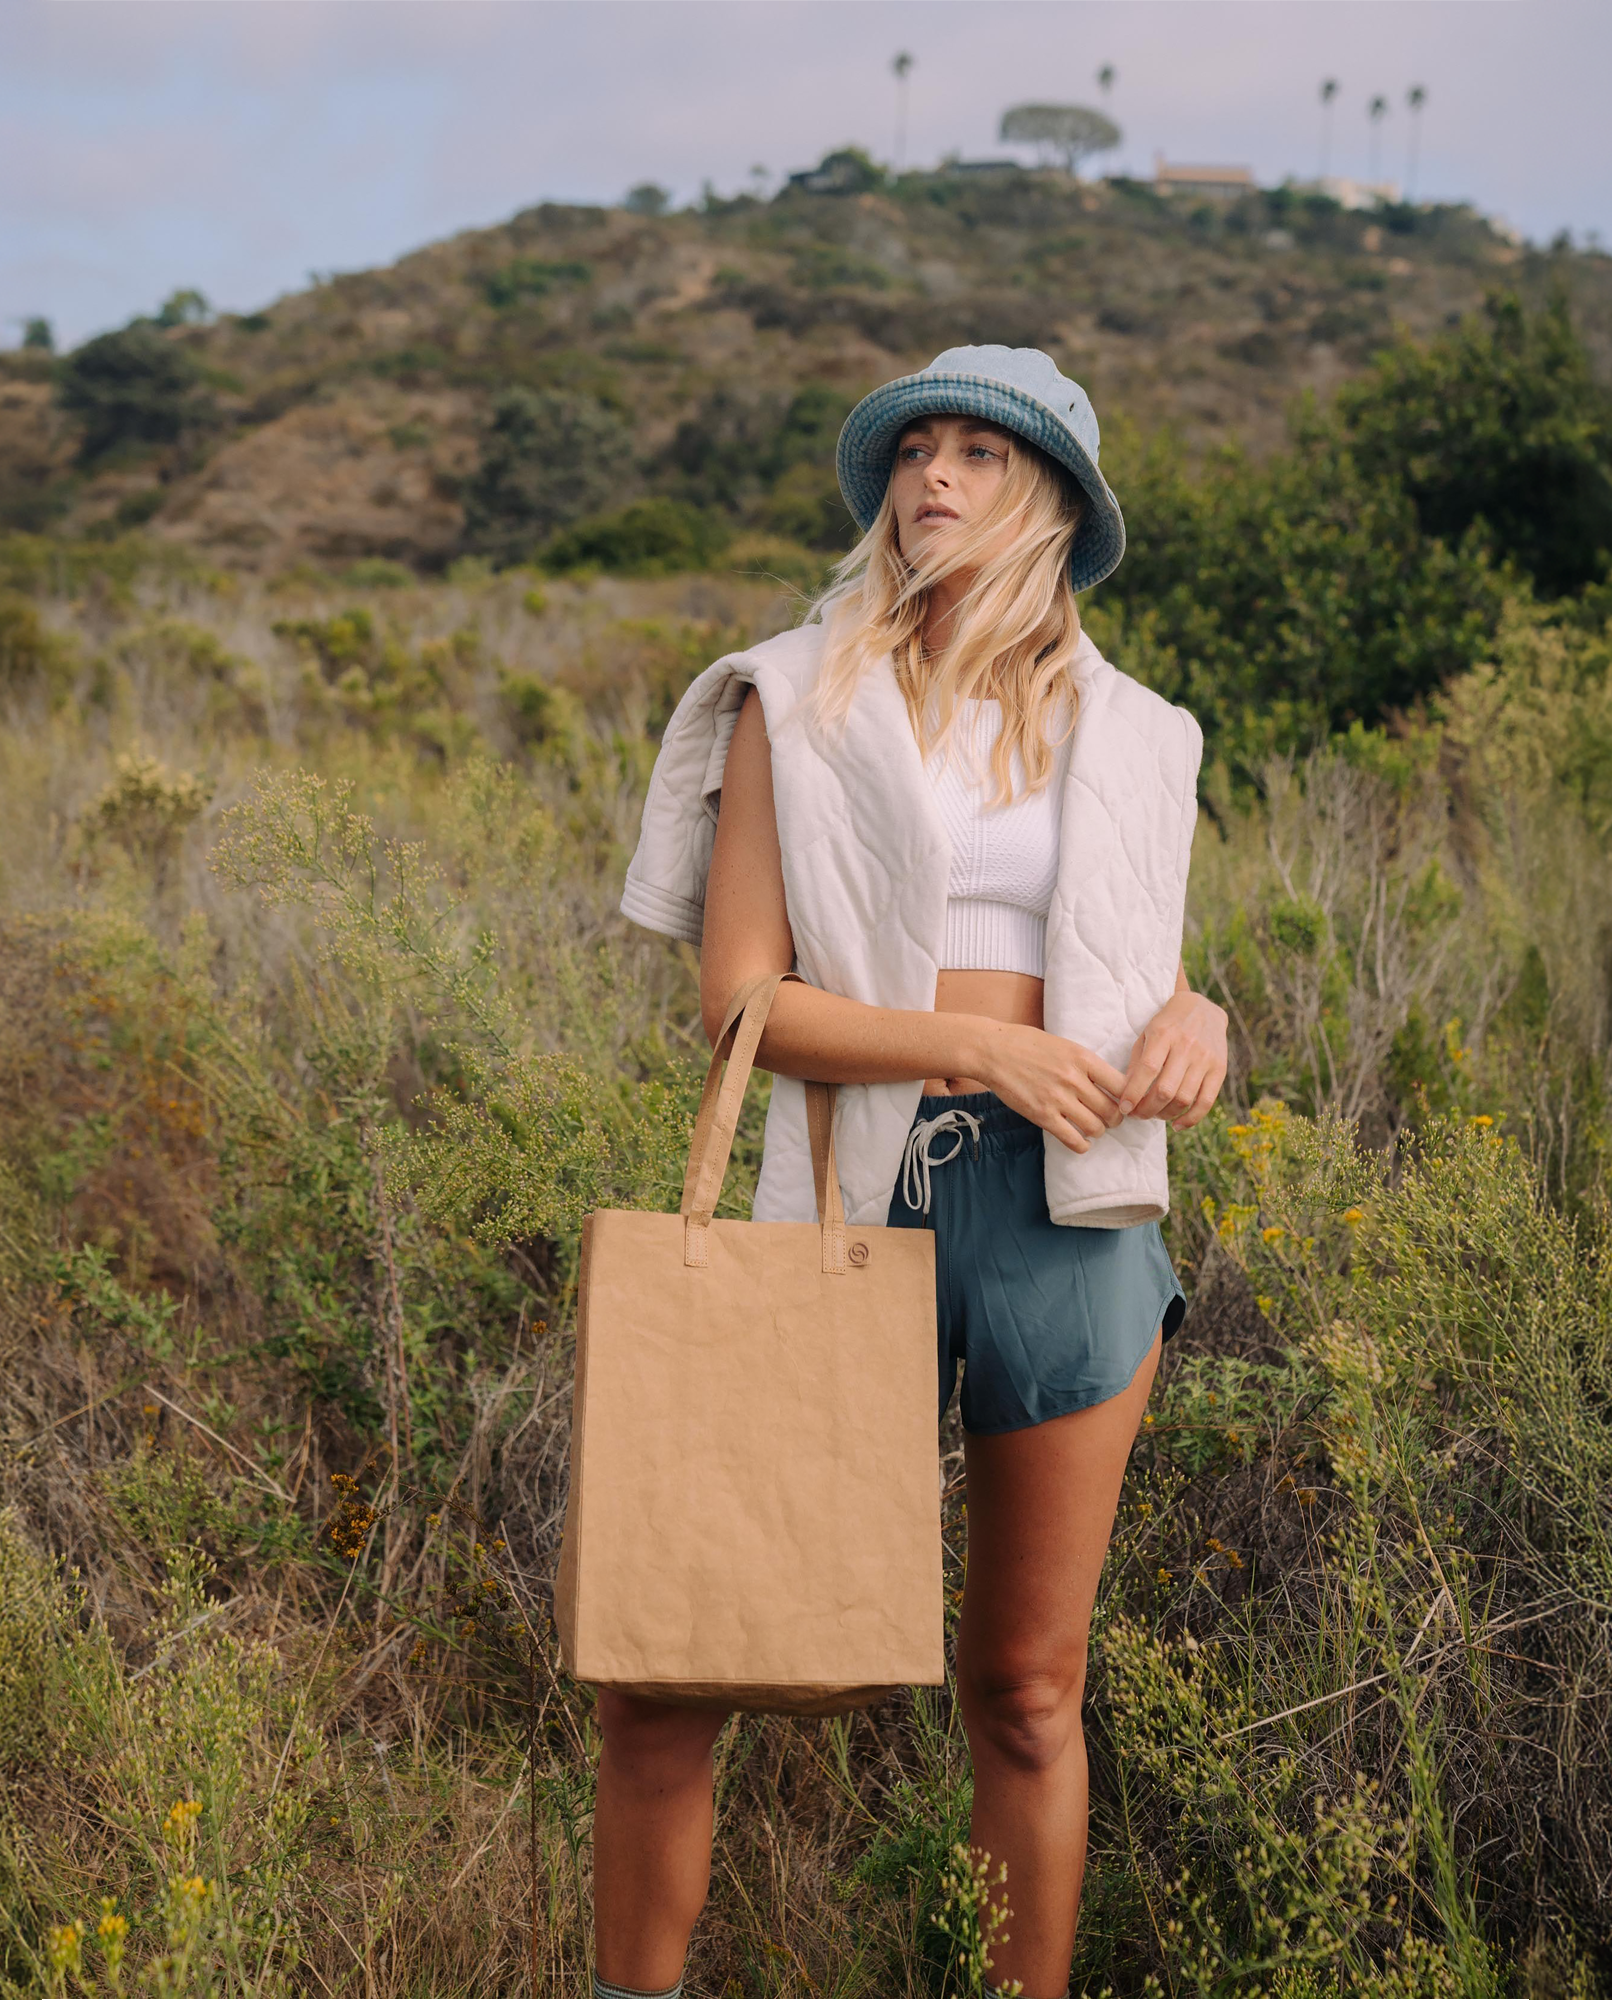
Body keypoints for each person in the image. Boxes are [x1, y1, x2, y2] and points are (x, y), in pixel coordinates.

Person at [596, 345, 1229, 1999]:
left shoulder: (1140, 731)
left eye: (980, 454)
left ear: (1055, 501)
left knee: (1025, 1692)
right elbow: (743, 1005)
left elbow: (1132, 967)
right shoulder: (793, 700)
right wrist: (978, 1051)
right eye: (915, 450)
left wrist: (1200, 1020)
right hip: (853, 1197)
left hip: (1068, 1214)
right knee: (672, 1672)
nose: (934, 475)